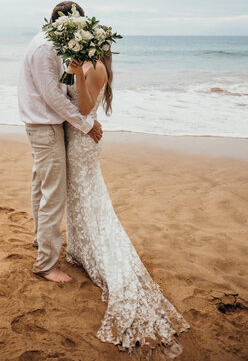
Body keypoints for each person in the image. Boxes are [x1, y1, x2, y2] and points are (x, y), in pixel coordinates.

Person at [65, 48, 190, 358]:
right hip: (80, 139)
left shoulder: (94, 68)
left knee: (88, 198)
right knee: (83, 198)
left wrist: (77, 71)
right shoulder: (93, 66)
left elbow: (83, 107)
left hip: (82, 141)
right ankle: (80, 249)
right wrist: (72, 70)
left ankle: (91, 252)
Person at [17, 1, 103, 284]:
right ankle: (46, 264)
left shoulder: (49, 44)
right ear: (66, 24)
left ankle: (41, 239)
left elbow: (58, 86)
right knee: (53, 193)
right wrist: (86, 123)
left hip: (43, 125)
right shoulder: (44, 48)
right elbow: (52, 96)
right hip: (45, 126)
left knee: (41, 186)